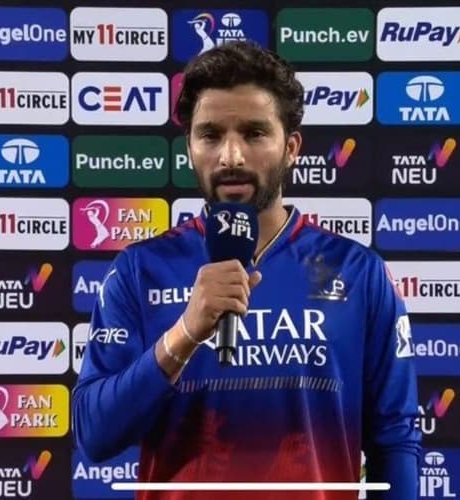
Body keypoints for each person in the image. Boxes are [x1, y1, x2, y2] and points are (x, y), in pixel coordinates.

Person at [71, 41, 421, 500]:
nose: (231, 156)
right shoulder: (140, 270)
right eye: (211, 135)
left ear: (291, 148)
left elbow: (395, 438)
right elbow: (94, 434)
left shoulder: (359, 272)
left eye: (254, 134)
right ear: (190, 148)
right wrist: (185, 333)